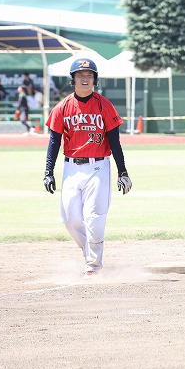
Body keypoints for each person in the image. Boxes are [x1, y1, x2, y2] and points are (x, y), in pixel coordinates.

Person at [42, 58, 133, 277]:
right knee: (70, 219)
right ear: (72, 79)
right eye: (80, 75)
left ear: (95, 80)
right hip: (71, 168)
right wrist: (48, 171)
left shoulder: (104, 105)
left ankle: (93, 265)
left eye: (89, 75)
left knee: (94, 217)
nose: (85, 79)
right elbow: (54, 142)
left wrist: (122, 171)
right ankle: (89, 251)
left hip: (98, 167)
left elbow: (115, 142)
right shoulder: (63, 107)